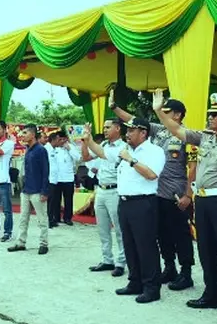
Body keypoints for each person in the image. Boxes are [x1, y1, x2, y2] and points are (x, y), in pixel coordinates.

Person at [152, 90, 217, 321]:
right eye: (209, 113)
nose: (209, 117)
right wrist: (159, 110)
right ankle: (212, 294)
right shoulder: (205, 137)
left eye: (214, 114)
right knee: (206, 250)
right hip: (204, 200)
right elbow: (176, 129)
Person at [111, 90, 196, 291]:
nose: (161, 114)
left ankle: (186, 272)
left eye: (165, 111)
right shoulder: (159, 131)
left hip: (176, 193)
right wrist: (115, 108)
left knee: (180, 234)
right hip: (156, 192)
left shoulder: (187, 135)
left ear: (177, 115)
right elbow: (134, 121)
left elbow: (193, 168)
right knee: (160, 234)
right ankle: (169, 267)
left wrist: (188, 194)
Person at [114, 118, 166, 303]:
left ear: (143, 132)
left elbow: (152, 175)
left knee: (146, 246)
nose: (127, 134)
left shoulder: (154, 151)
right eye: (127, 130)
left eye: (131, 130)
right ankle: (134, 282)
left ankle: (152, 288)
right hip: (125, 202)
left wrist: (132, 160)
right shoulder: (127, 150)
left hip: (143, 203)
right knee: (130, 245)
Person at [81, 120, 127, 277]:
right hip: (101, 189)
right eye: (104, 127)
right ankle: (107, 259)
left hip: (115, 191)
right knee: (103, 228)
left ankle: (121, 262)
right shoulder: (105, 145)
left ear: (118, 128)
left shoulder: (124, 147)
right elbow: (86, 157)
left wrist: (90, 140)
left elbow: (101, 154)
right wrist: (84, 141)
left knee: (119, 229)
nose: (105, 130)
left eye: (108, 127)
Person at [7, 124, 51, 255]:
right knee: (23, 218)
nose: (23, 135)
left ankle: (44, 243)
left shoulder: (41, 150)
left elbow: (45, 171)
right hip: (26, 190)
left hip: (38, 190)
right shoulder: (28, 149)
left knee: (42, 219)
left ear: (32, 134)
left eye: (25, 133)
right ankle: (21, 242)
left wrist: (45, 191)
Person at [53, 130, 81, 225]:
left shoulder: (71, 147)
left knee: (68, 200)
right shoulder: (54, 148)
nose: (60, 141)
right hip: (57, 178)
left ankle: (67, 218)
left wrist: (69, 148)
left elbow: (78, 158)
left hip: (68, 178)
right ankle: (56, 217)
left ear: (65, 139)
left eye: (62, 139)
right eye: (58, 139)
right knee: (56, 199)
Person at [44, 132, 60, 228]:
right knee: (49, 202)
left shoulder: (54, 149)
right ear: (53, 140)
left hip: (54, 179)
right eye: (58, 140)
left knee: (53, 201)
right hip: (49, 179)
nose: (59, 142)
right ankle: (48, 221)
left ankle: (52, 219)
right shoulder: (46, 149)